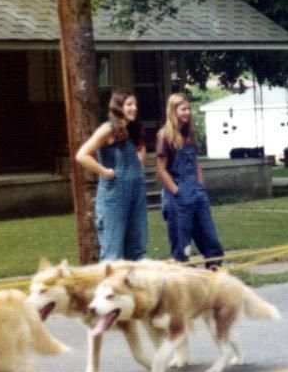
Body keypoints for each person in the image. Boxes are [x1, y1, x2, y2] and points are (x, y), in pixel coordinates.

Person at [75, 91, 148, 261]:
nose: (134, 108)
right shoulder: (108, 129)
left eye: (135, 104)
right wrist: (105, 172)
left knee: (137, 250)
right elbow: (82, 155)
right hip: (113, 198)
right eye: (129, 104)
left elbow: (139, 159)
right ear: (118, 107)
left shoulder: (132, 129)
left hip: (135, 194)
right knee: (113, 253)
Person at [155, 92, 224, 266]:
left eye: (188, 109)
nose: (187, 112)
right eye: (183, 109)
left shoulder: (189, 134)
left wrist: (200, 185)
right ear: (173, 111)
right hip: (177, 194)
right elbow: (161, 170)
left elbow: (195, 162)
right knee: (181, 241)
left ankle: (214, 267)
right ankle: (183, 270)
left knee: (208, 233)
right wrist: (177, 191)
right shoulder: (165, 137)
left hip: (196, 191)